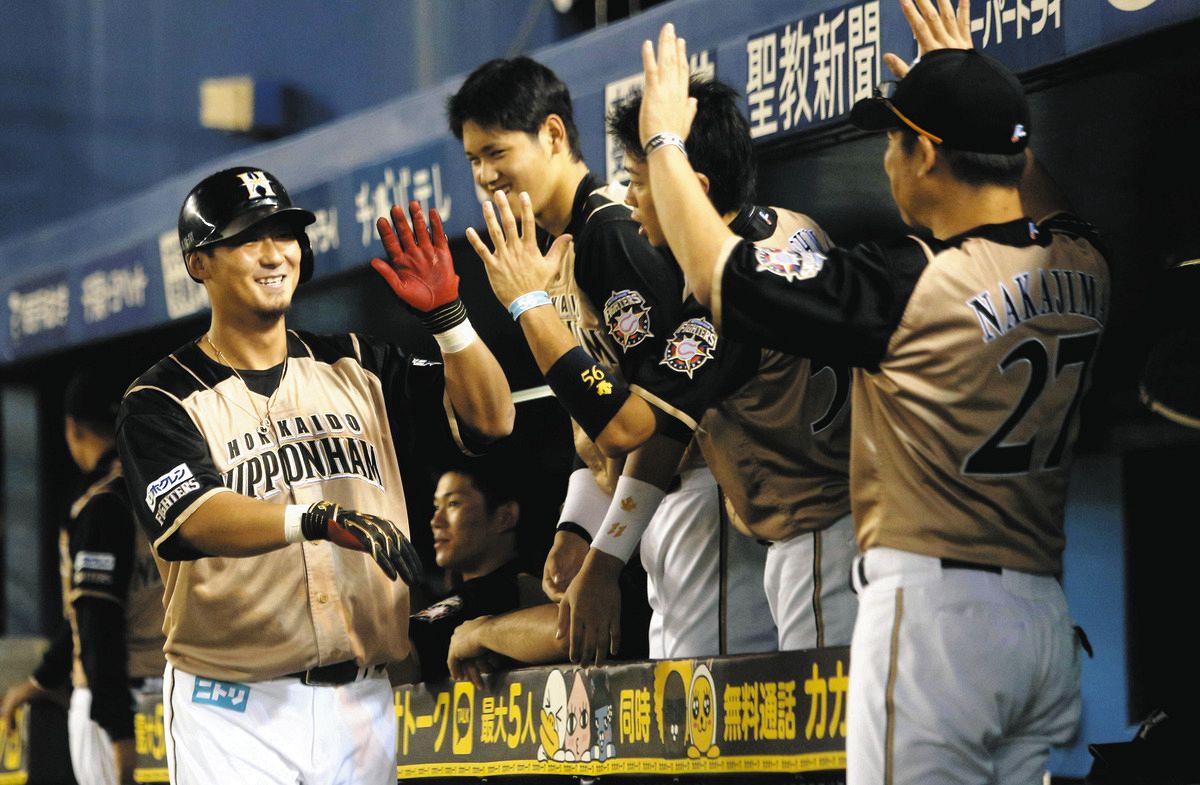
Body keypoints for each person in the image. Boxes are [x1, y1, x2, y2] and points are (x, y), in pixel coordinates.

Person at [637, 2, 1107, 783]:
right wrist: (978, 93)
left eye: (894, 141)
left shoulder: (913, 283)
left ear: (925, 154)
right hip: (1042, 618)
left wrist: (663, 144)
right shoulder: (1085, 262)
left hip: (937, 616)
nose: (887, 159)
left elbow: (722, 272)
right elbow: (1039, 191)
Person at [115, 167, 513, 784]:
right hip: (234, 709)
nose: (275, 254)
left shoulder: (357, 364)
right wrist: (314, 520)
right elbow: (193, 518)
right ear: (199, 263)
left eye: (286, 234)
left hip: (362, 698)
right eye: (250, 239)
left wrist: (450, 320)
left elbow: (493, 420)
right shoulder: (159, 399)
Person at [471, 76, 855, 661]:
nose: (627, 198)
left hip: (814, 531)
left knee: (813, 746)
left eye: (640, 182)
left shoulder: (727, 290)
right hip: (837, 526)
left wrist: (527, 304)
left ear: (689, 188)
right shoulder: (790, 224)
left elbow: (635, 427)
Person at [1, 368, 166, 785]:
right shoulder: (162, 494)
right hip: (176, 692)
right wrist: (43, 678)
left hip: (118, 705)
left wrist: (119, 731)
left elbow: (97, 622)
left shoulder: (100, 505)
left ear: (72, 428)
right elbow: (88, 615)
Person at [407, 463, 549, 683]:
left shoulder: (507, 592)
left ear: (505, 516)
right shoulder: (474, 594)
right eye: (436, 507)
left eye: (453, 504)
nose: (436, 521)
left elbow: (393, 659)